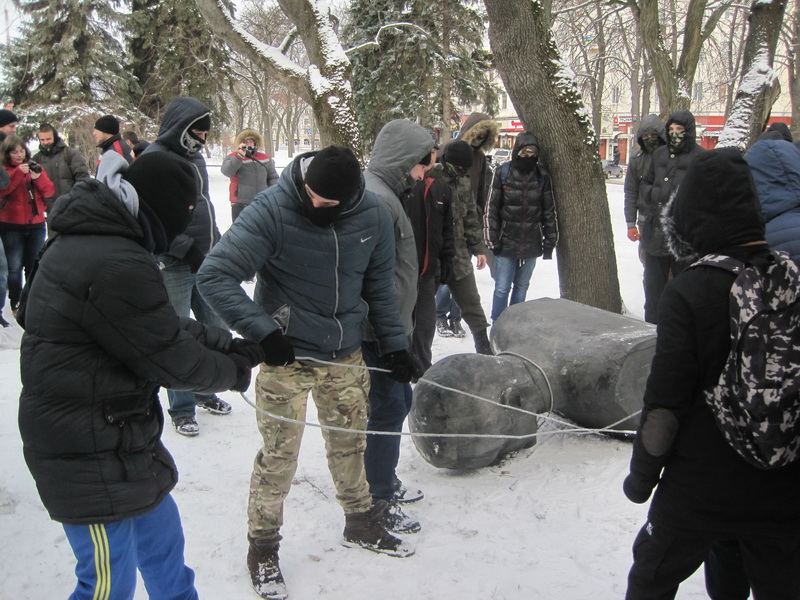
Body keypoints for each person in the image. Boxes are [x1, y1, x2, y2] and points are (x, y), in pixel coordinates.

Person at [17, 149, 262, 600]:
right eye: (184, 214)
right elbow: (170, 359)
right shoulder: (113, 258)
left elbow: (155, 325)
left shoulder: (103, 240)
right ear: (161, 208)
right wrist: (234, 370)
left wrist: (226, 343)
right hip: (84, 447)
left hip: (123, 435)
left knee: (166, 560)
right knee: (107, 586)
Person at [197, 145, 416, 600]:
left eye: (327, 201)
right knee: (279, 457)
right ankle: (263, 547)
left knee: (350, 445)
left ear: (351, 196)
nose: (315, 204)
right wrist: (263, 331)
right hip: (287, 357)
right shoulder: (273, 209)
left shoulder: (373, 215)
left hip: (345, 355)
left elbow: (379, 287)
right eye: (311, 195)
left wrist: (395, 345)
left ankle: (359, 520)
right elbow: (214, 275)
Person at [623, 148, 800, 599]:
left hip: (698, 485)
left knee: (651, 579)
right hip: (781, 484)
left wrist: (641, 479)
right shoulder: (790, 280)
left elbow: (665, 405)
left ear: (689, 217)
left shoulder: (690, 290)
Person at [141, 96, 232, 436]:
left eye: (206, 134)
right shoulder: (154, 159)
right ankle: (181, 407)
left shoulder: (195, 158)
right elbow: (150, 218)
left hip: (205, 260)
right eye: (197, 132)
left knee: (214, 328)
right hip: (173, 265)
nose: (202, 139)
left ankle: (205, 390)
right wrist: (183, 248)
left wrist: (216, 244)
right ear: (180, 127)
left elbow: (203, 207)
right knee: (177, 336)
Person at [362, 119, 434, 534]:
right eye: (422, 165)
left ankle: (382, 480)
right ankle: (377, 495)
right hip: (378, 332)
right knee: (387, 408)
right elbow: (372, 279)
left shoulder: (386, 193)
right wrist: (389, 339)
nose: (423, 174)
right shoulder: (378, 199)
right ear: (404, 160)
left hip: (390, 327)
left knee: (394, 403)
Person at [436, 112, 500, 336]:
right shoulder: (447, 153)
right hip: (441, 235)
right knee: (444, 282)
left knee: (466, 285)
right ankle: (440, 315)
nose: (480, 138)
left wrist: (478, 240)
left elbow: (479, 191)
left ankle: (459, 320)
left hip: (465, 227)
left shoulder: (478, 159)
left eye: (485, 135)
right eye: (478, 133)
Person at [639, 109, 704, 323]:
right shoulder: (659, 154)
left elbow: (705, 194)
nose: (675, 133)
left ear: (689, 131)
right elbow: (646, 182)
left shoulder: (700, 156)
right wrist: (654, 196)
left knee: (684, 294)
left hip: (683, 239)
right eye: (671, 129)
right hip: (655, 234)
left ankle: (681, 333)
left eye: (680, 129)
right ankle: (652, 333)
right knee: (653, 293)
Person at [484, 131, 557, 322]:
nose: (528, 157)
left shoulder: (542, 176)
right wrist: (492, 240)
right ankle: (498, 323)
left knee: (522, 287)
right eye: (525, 153)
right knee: (502, 287)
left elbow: (549, 211)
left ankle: (513, 324)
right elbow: (491, 208)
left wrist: (550, 241)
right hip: (505, 241)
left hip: (531, 242)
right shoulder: (503, 173)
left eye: (533, 153)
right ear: (517, 152)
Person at [402, 135, 455, 375]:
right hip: (403, 271)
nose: (431, 157)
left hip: (427, 271)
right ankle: (401, 365)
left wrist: (447, 260)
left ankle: (422, 369)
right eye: (428, 152)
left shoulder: (441, 186)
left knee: (425, 324)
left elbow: (447, 229)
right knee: (404, 324)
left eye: (434, 152)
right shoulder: (405, 183)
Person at [0, 135, 55, 317]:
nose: (19, 155)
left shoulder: (34, 166)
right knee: (14, 268)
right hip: (11, 225)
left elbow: (49, 191)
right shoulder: (4, 171)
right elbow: (3, 190)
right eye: (14, 152)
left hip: (36, 224)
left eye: (21, 151)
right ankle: (15, 301)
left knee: (34, 266)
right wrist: (17, 174)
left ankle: (31, 301)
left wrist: (37, 177)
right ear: (7, 154)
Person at [623, 114, 667, 320]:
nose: (650, 139)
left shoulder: (670, 157)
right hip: (646, 223)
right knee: (650, 271)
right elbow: (630, 193)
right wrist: (630, 223)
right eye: (645, 136)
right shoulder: (637, 161)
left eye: (653, 135)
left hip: (669, 223)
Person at [221, 128, 279, 221]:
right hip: (240, 204)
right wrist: (239, 156)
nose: (248, 144)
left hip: (262, 203)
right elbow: (227, 171)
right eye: (245, 142)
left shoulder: (265, 158)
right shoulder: (233, 157)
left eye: (251, 141)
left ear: (255, 143)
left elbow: (273, 177)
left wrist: (270, 193)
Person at [32, 123, 90, 206]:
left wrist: (77, 199)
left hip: (71, 205)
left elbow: (83, 179)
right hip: (50, 208)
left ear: (55, 137)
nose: (46, 142)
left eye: (48, 139)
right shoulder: (37, 159)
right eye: (42, 140)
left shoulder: (70, 154)